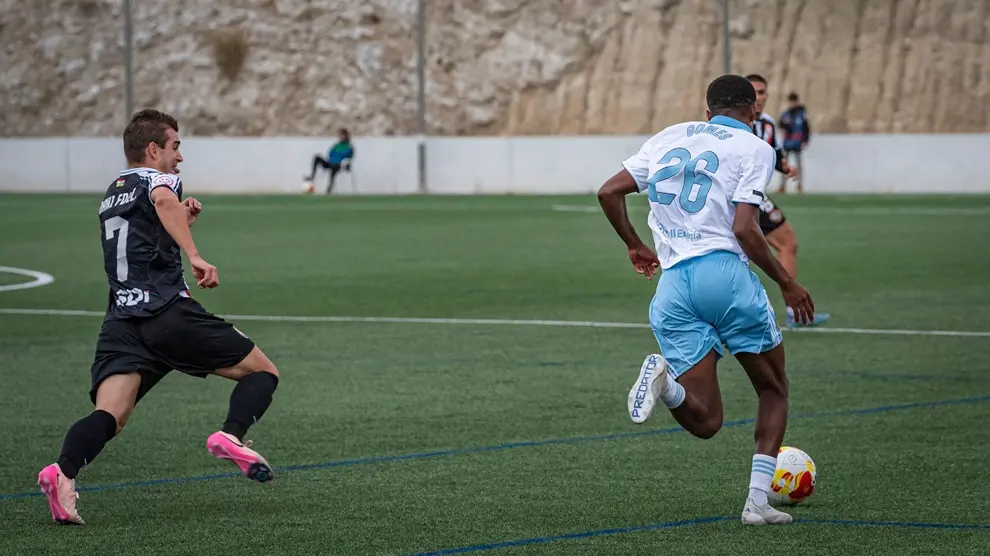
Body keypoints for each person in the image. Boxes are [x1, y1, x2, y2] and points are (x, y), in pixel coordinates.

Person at [37, 109, 281, 525]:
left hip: (121, 323)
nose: (179, 156)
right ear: (153, 149)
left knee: (110, 416)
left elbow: (145, 237)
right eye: (175, 146)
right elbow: (164, 200)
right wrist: (195, 254)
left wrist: (182, 221)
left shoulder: (113, 192)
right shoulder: (157, 180)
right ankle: (231, 435)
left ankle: (62, 472)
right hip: (166, 313)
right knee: (262, 372)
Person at [597, 75, 816, 525]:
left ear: (707, 108)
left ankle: (666, 385)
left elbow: (608, 191)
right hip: (724, 278)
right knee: (773, 389)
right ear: (753, 110)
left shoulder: (669, 136)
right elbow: (744, 229)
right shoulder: (756, 147)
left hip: (673, 288)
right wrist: (787, 283)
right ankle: (756, 503)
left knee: (706, 420)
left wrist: (635, 245)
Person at [747, 74, 829, 327]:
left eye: (763, 92)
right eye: (754, 92)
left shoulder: (768, 124)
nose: (759, 97)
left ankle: (789, 311)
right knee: (784, 243)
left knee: (784, 244)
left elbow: (774, 153)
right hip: (741, 195)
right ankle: (791, 312)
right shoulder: (735, 124)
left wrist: (785, 167)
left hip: (755, 195)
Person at [305, 128, 355, 194]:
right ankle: (312, 176)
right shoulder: (336, 145)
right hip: (330, 162)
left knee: (334, 167)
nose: (341, 137)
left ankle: (329, 188)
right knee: (317, 157)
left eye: (343, 135)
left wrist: (340, 157)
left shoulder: (349, 146)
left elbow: (350, 156)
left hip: (339, 165)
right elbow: (330, 153)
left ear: (346, 136)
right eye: (340, 135)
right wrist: (336, 156)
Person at [778, 93, 810, 193]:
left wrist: (806, 140)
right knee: (784, 165)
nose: (792, 104)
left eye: (794, 101)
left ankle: (799, 186)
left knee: (798, 165)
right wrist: (785, 125)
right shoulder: (786, 114)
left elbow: (806, 128)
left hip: (797, 143)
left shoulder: (801, 114)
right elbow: (780, 124)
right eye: (791, 102)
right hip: (787, 143)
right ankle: (782, 186)